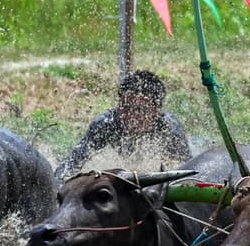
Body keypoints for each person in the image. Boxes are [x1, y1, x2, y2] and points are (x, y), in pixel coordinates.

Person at [57, 69, 192, 180]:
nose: (131, 117)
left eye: (140, 110)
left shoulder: (169, 127)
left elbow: (189, 170)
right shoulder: (105, 124)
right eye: (125, 108)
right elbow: (70, 165)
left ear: (157, 110)